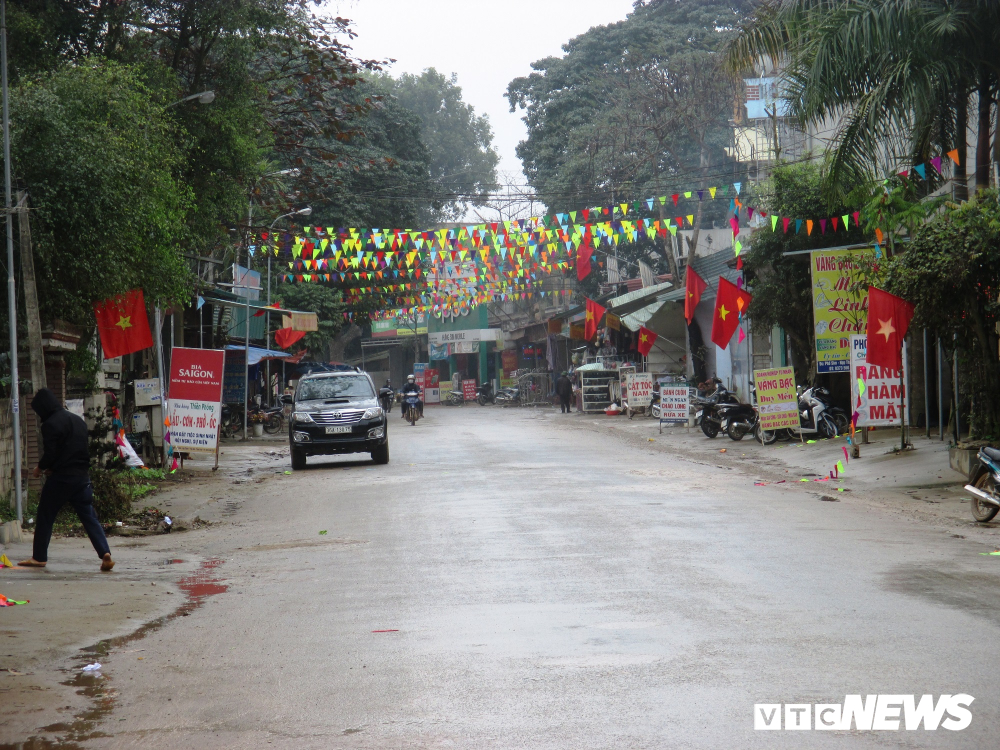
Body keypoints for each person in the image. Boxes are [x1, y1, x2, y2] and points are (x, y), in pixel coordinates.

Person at [19, 389, 114, 571]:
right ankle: (105, 553)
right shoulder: (78, 421)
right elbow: (74, 451)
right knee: (89, 517)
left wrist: (40, 468)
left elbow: (51, 453)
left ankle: (39, 557)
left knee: (46, 515)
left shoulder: (50, 424)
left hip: (61, 480)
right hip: (82, 478)